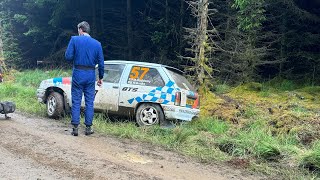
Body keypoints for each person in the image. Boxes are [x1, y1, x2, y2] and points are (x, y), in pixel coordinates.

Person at [65, 21, 104, 136]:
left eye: (78, 30)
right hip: (91, 75)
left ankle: (75, 128)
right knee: (89, 102)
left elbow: (68, 56)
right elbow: (101, 63)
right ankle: (88, 128)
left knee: (76, 100)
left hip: (78, 73)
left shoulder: (74, 40)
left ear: (81, 29)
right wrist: (100, 77)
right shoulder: (97, 44)